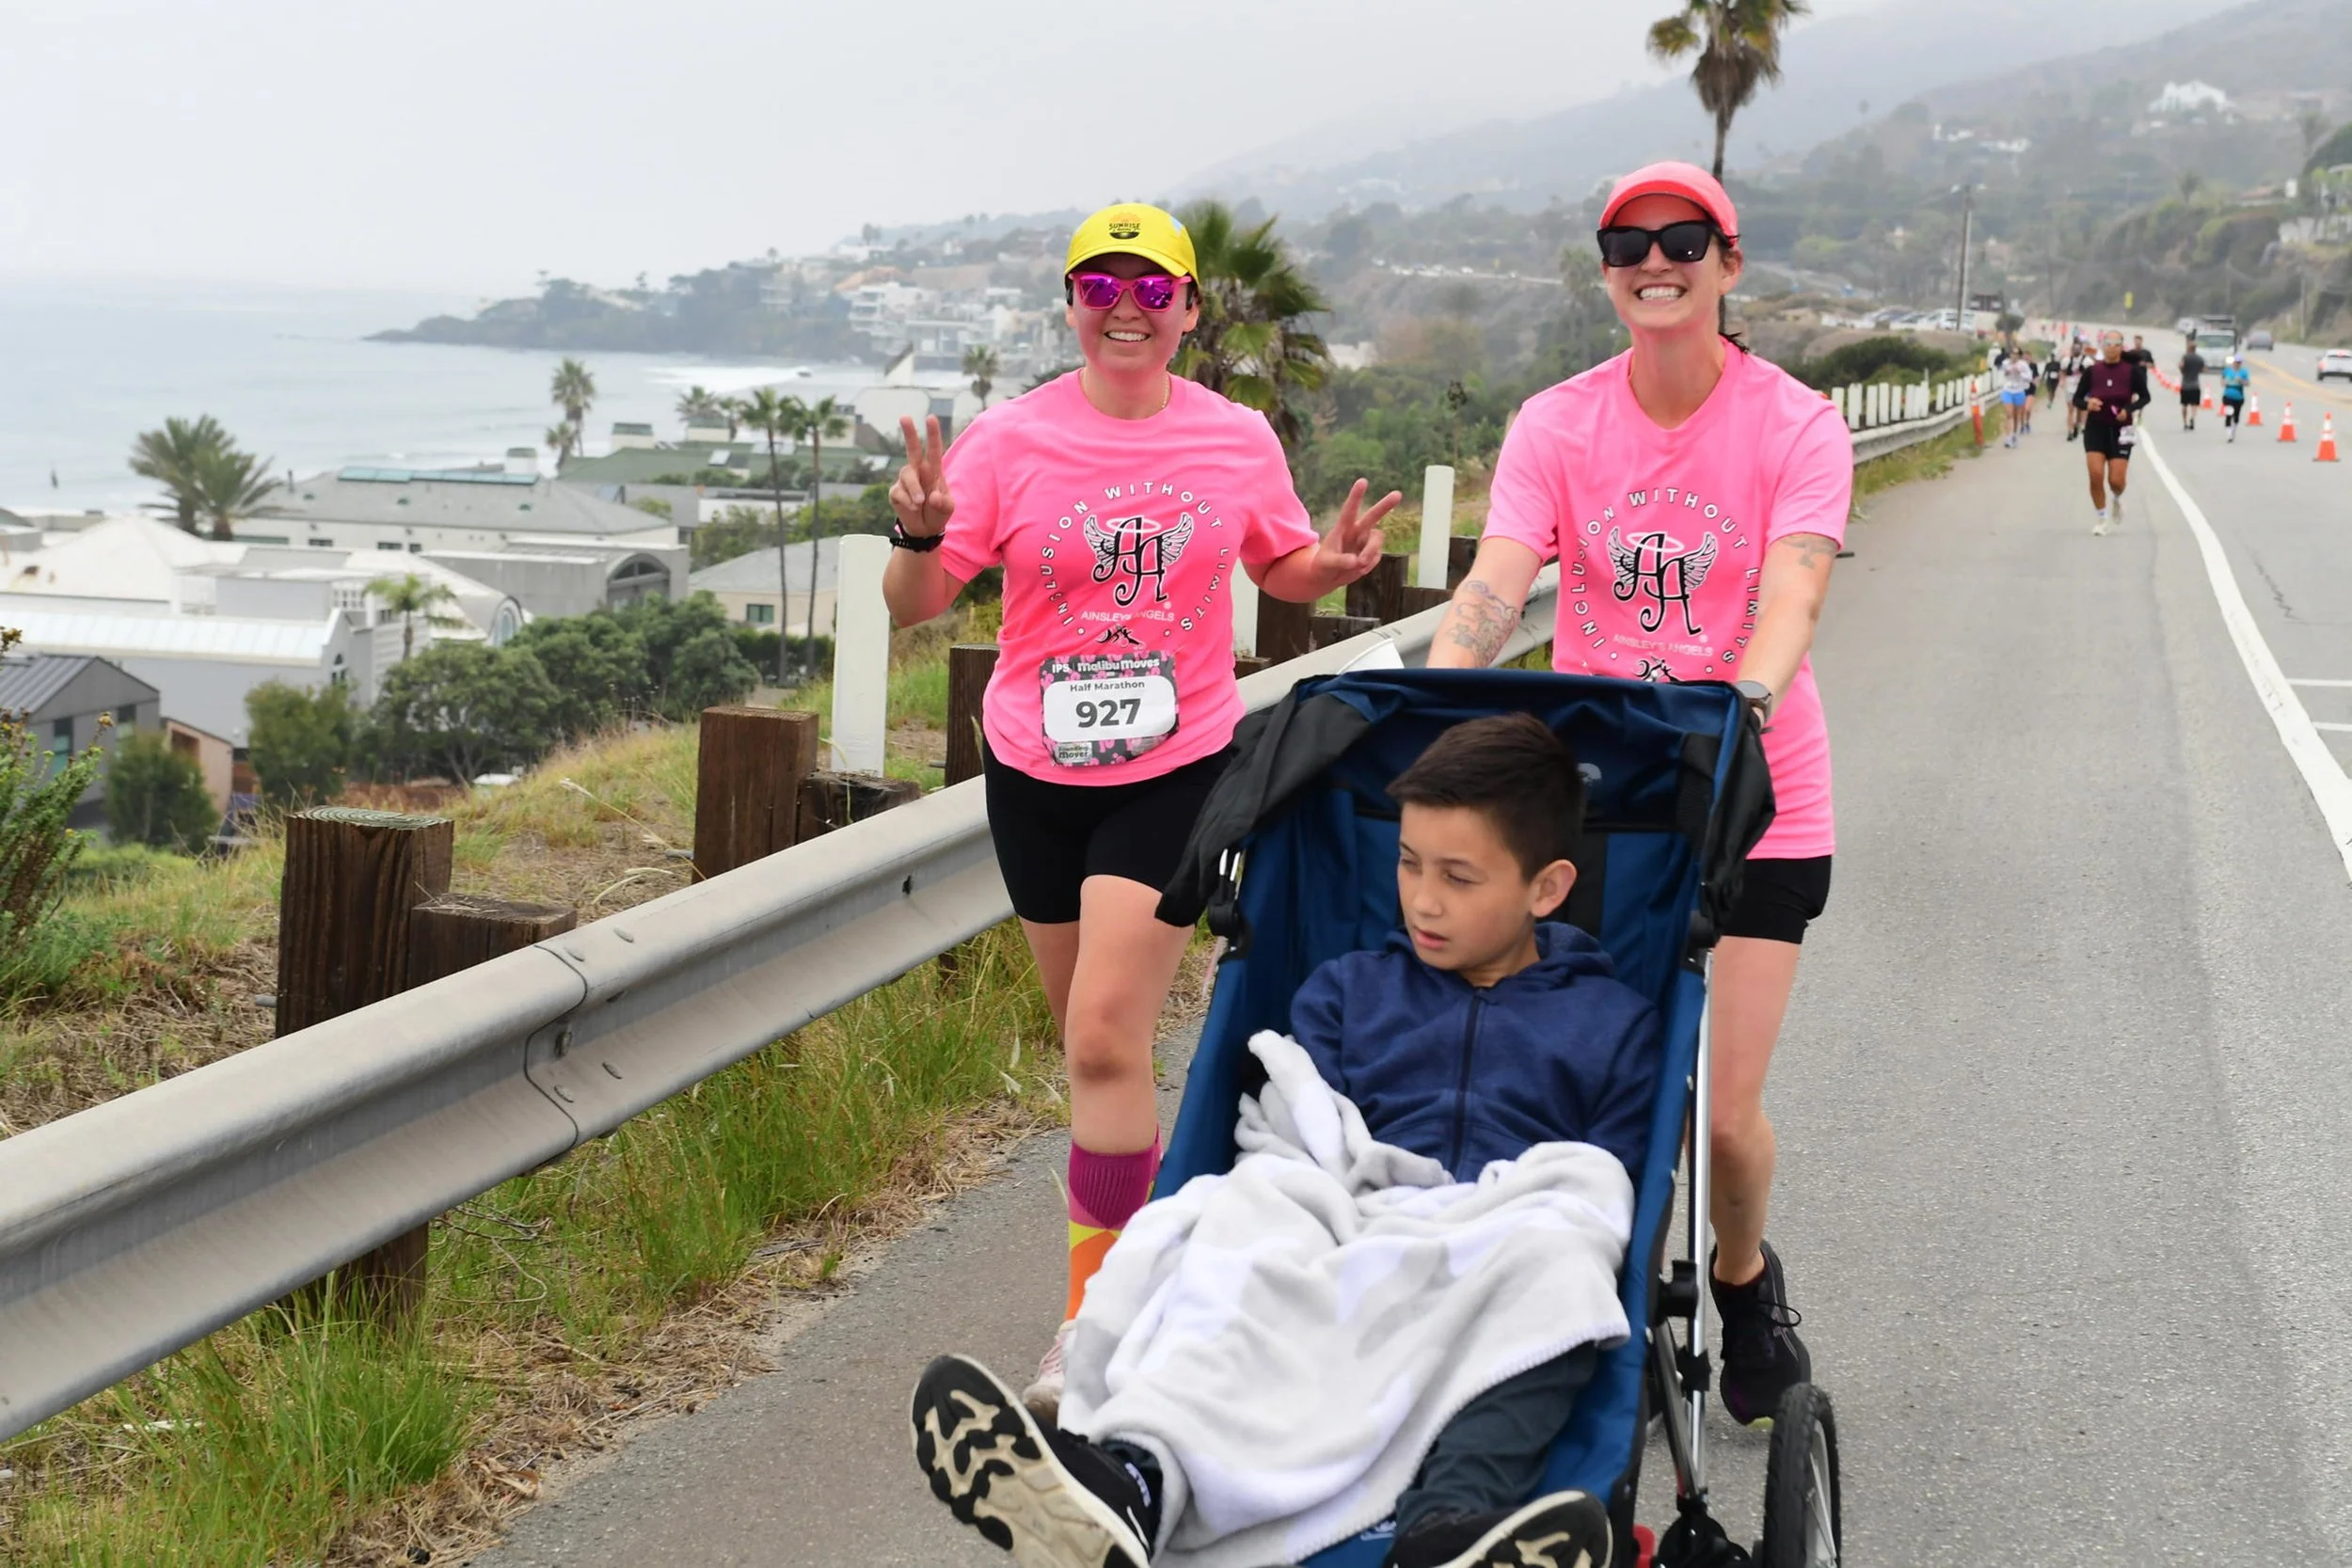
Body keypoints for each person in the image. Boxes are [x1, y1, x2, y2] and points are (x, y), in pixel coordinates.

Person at [882, 201, 1402, 1421]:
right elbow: (916, 603)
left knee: (1108, 1038)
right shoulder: (1011, 443)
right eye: (1099, 284)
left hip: (1173, 768)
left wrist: (1328, 566)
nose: (1126, 306)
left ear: (1189, 310)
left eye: (1152, 288)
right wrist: (915, 529)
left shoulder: (1235, 439)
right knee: (1091, 1049)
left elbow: (1276, 564)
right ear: (1070, 303)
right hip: (1033, 774)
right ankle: (1170, 1255)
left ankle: (1096, 1326)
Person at [911, 715, 1644, 1568]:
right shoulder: (1350, 992)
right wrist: (1315, 1191)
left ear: (1547, 889)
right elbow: (1300, 1126)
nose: (1425, 899)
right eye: (1408, 864)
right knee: (1236, 1230)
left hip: (1496, 1236)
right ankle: (1131, 1483)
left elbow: (1603, 1183)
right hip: (1343, 1221)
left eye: (1459, 876)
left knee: (1559, 1257)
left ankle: (1449, 1528)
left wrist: (1530, 1209)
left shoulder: (1609, 1024)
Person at [1424, 161, 1842, 1428]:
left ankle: (1742, 1272)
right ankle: (1576, 1317)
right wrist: (1450, 676)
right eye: (1626, 244)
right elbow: (1500, 580)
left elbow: (1794, 593)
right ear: (1605, 271)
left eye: (1681, 240)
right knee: (1589, 1092)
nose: (1653, 262)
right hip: (1604, 799)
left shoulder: (1793, 424)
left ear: (1728, 262)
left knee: (1720, 1117)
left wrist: (1742, 701)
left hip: (1755, 793)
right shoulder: (1558, 424)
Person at [2073, 329, 2150, 535]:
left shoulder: (2131, 372)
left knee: (2116, 481)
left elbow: (2145, 397)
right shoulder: (2092, 371)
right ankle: (2101, 519)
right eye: (2107, 343)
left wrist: (2128, 410)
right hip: (2096, 427)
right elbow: (2077, 399)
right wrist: (2088, 404)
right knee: (2095, 474)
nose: (2111, 347)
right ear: (2103, 347)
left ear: (2121, 347)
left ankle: (2116, 498)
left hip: (2121, 430)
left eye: (2116, 344)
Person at [1998, 347, 2036, 447]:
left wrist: (2020, 373)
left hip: (2019, 391)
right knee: (2009, 414)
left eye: (2016, 354)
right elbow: (2002, 373)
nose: (2014, 355)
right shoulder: (2005, 363)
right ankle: (2008, 438)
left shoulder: (2023, 365)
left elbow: (2029, 377)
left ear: (2019, 355)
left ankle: (2014, 434)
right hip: (2008, 390)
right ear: (2010, 354)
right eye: (2012, 353)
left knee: (2016, 416)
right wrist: (2007, 372)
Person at [2178, 339, 2207, 432]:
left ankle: (2185, 422)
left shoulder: (2185, 357)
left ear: (2188, 348)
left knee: (2184, 405)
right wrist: (2197, 370)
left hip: (2185, 384)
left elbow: (2181, 366)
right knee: (2194, 405)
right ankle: (2193, 417)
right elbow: (2204, 369)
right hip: (2195, 385)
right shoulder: (2199, 358)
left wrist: (2182, 370)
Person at [2220, 353, 2250, 442]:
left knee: (2236, 416)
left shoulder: (2244, 372)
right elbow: (2222, 381)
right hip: (2228, 395)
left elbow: (2248, 383)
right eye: (2236, 362)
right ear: (2233, 362)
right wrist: (2224, 382)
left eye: (2239, 362)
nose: (2237, 363)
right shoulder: (2227, 371)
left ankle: (2233, 429)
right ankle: (2228, 433)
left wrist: (2241, 380)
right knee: (2229, 413)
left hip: (2239, 397)